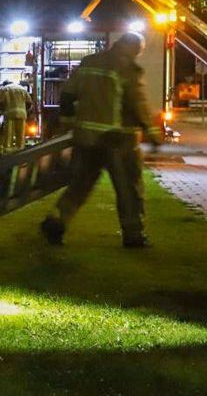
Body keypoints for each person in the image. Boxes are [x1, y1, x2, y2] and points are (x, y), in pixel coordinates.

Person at [41, 32, 164, 248]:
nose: (137, 55)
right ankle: (133, 235)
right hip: (118, 140)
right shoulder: (127, 69)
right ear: (131, 46)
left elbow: (67, 95)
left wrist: (68, 124)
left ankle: (57, 221)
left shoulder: (89, 62)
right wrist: (152, 133)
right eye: (138, 50)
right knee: (129, 189)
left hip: (86, 139)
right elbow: (138, 104)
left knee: (80, 185)